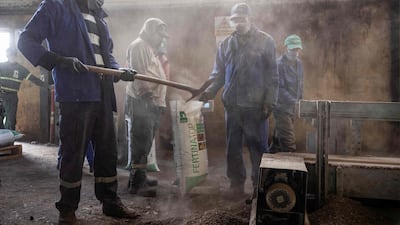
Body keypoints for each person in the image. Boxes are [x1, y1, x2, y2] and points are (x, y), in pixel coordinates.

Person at [17, 0, 138, 224]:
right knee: (73, 153)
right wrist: (59, 61)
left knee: (107, 151)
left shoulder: (99, 15)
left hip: (103, 91)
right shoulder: (55, 6)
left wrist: (118, 70)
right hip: (76, 93)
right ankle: (67, 209)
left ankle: (110, 202)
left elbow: (106, 54)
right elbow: (25, 40)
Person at [199, 3, 279, 197]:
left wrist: (270, 102)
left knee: (258, 147)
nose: (238, 23)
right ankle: (236, 184)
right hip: (233, 106)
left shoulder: (265, 41)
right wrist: (209, 92)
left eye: (241, 19)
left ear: (249, 19)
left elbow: (273, 76)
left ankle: (260, 186)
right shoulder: (226, 44)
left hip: (256, 107)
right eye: (234, 20)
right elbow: (217, 74)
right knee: (233, 147)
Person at [125, 18, 169, 197]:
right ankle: (137, 183)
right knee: (140, 142)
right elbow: (140, 76)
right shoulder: (139, 46)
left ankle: (140, 176)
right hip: (143, 102)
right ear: (151, 31)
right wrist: (149, 99)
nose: (162, 39)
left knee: (145, 142)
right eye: (160, 35)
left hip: (151, 102)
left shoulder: (150, 48)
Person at [270, 34, 304, 153]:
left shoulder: (299, 64)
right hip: (281, 108)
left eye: (297, 49)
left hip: (292, 107)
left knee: (278, 140)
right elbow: (280, 89)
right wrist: (294, 102)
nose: (294, 52)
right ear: (286, 48)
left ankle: (269, 165)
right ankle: (293, 169)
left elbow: (300, 83)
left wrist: (301, 102)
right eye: (292, 49)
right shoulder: (279, 65)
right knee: (289, 142)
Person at [0, 48, 46, 130]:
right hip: (1, 94)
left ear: (16, 56)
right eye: (9, 55)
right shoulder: (1, 66)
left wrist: (47, 86)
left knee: (11, 119)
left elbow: (33, 78)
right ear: (7, 55)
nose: (11, 57)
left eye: (13, 55)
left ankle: (9, 137)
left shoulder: (21, 69)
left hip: (12, 96)